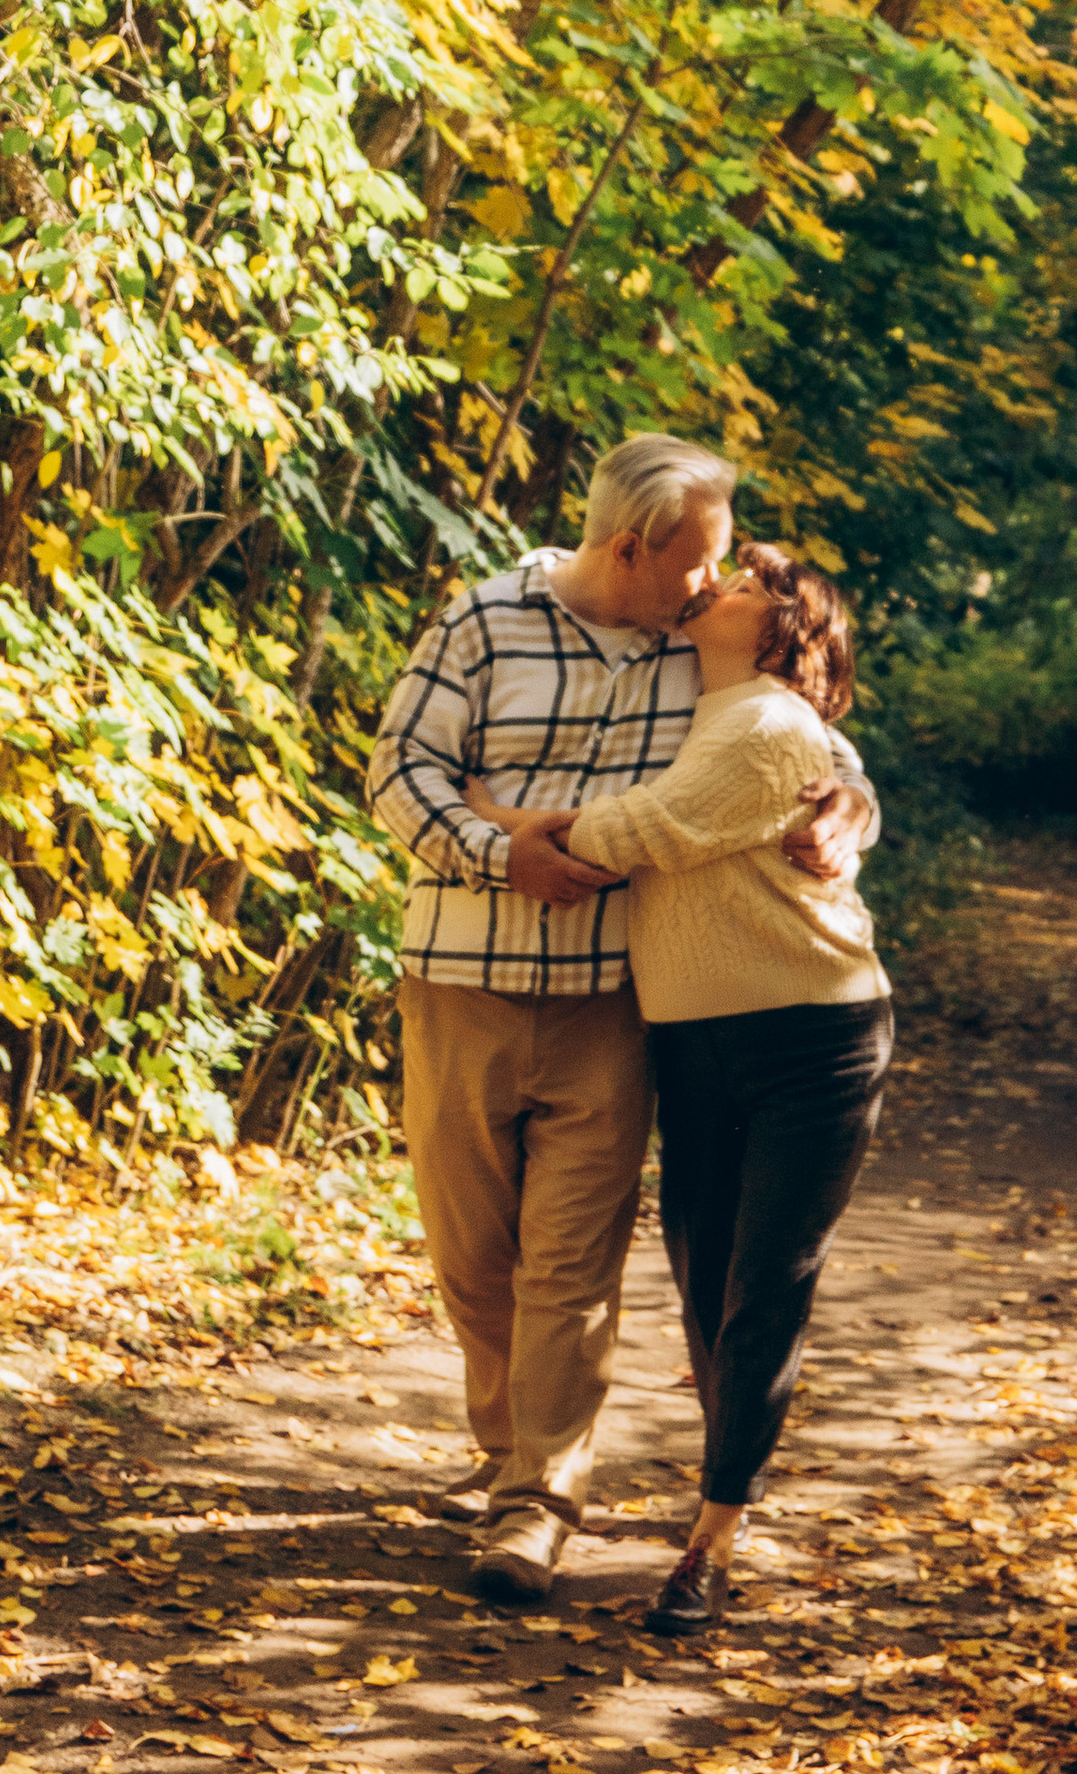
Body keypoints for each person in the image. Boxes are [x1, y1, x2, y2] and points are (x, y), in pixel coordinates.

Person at [368, 438, 877, 1609]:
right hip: (462, 975)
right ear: (628, 547)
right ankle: (507, 1452)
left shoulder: (698, 649)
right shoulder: (484, 621)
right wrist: (497, 852)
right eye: (696, 561)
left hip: (616, 996)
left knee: (572, 1262)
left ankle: (536, 1505)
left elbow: (816, 747)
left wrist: (855, 810)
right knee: (473, 1259)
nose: (711, 585)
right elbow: (400, 772)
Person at [483, 543, 888, 1638]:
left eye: (751, 580)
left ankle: (711, 1541)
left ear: (779, 631)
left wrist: (496, 823)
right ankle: (732, 1480)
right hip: (692, 1042)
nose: (718, 581)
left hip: (813, 1034)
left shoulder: (760, 719)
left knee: (763, 1283)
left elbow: (644, 831)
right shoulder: (677, 687)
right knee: (705, 1280)